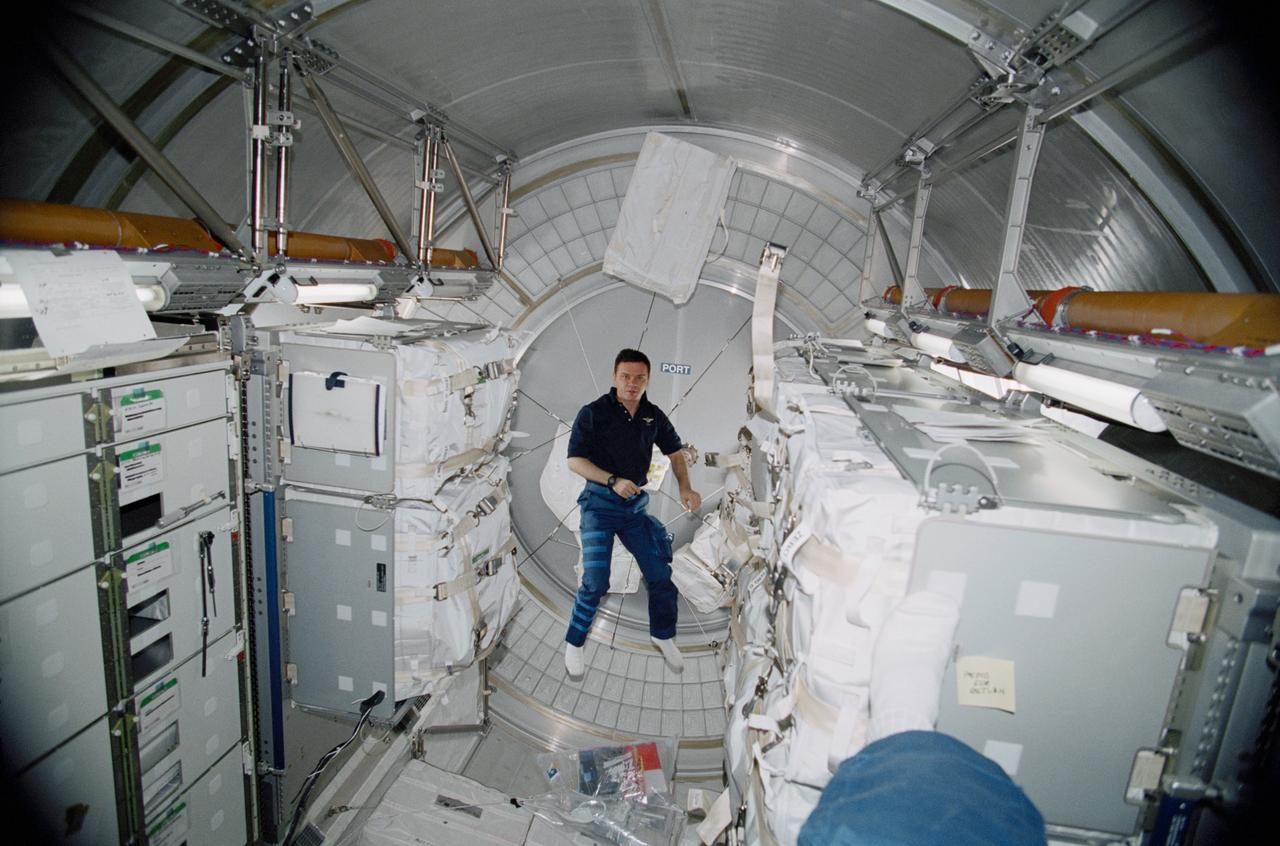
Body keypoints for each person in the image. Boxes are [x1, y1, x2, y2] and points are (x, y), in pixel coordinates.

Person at [563, 348, 701, 680]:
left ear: (648, 379)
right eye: (626, 376)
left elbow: (676, 453)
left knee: (660, 576)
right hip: (599, 506)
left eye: (640, 377)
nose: (632, 383)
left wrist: (685, 486)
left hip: (634, 510)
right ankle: (575, 642)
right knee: (595, 581)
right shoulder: (593, 412)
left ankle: (663, 634)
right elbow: (574, 461)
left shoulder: (653, 415)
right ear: (615, 376)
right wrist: (612, 480)